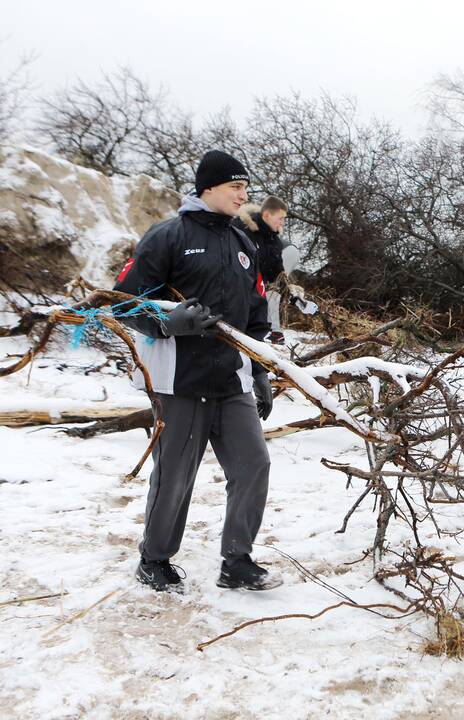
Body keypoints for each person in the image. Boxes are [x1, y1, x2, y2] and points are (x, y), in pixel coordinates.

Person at [114, 149, 279, 593]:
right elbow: (123, 302)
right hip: (179, 380)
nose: (244, 195)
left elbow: (257, 312)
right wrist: (168, 323)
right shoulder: (168, 235)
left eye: (245, 187)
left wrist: (261, 370)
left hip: (231, 380)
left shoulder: (244, 243)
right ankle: (155, 559)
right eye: (236, 187)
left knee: (253, 465)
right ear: (208, 188)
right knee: (176, 477)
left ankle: (237, 561)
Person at [235, 196, 288, 345]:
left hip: (259, 292)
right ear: (267, 215)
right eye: (280, 218)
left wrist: (287, 288)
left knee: (273, 293)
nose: (282, 222)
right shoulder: (241, 229)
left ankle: (273, 334)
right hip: (240, 288)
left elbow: (277, 270)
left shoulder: (274, 240)